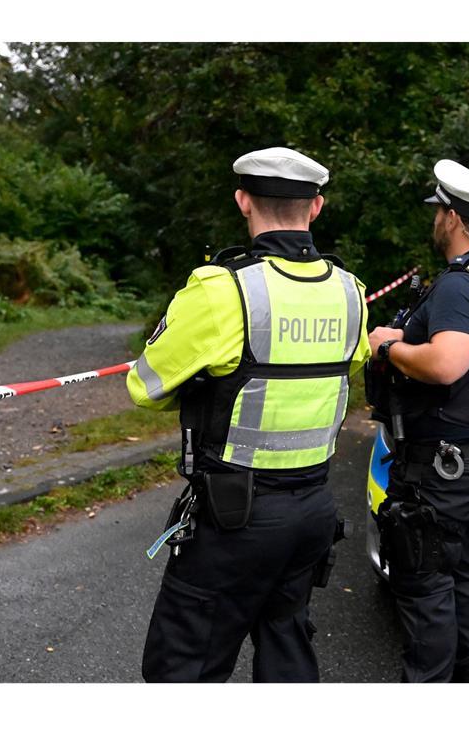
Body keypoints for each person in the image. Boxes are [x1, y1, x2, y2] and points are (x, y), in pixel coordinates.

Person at [128, 147, 372, 682]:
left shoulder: (222, 289)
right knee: (287, 652)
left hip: (234, 518)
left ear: (243, 201)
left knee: (183, 669)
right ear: (317, 207)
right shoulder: (351, 292)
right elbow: (349, 364)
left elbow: (144, 386)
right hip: (313, 510)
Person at [367, 159, 469, 682]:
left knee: (425, 582)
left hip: (442, 468)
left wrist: (390, 348)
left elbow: (447, 362)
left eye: (439, 211)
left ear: (453, 218)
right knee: (465, 570)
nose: (434, 220)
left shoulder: (461, 285)